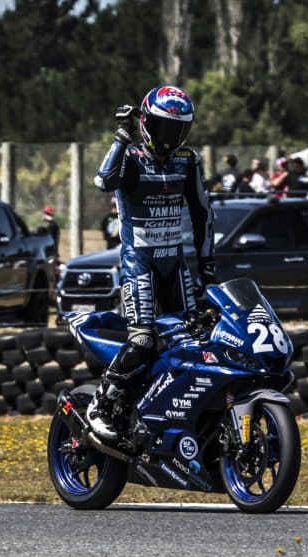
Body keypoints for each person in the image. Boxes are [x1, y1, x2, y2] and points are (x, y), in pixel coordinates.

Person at [88, 85, 214, 441]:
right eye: (163, 128)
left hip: (175, 266)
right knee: (143, 341)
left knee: (193, 340)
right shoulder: (130, 156)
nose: (171, 137)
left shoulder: (187, 161)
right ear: (145, 122)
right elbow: (102, 180)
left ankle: (169, 414)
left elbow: (204, 214)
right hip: (139, 264)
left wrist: (207, 265)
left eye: (179, 130)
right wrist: (121, 139)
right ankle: (103, 401)